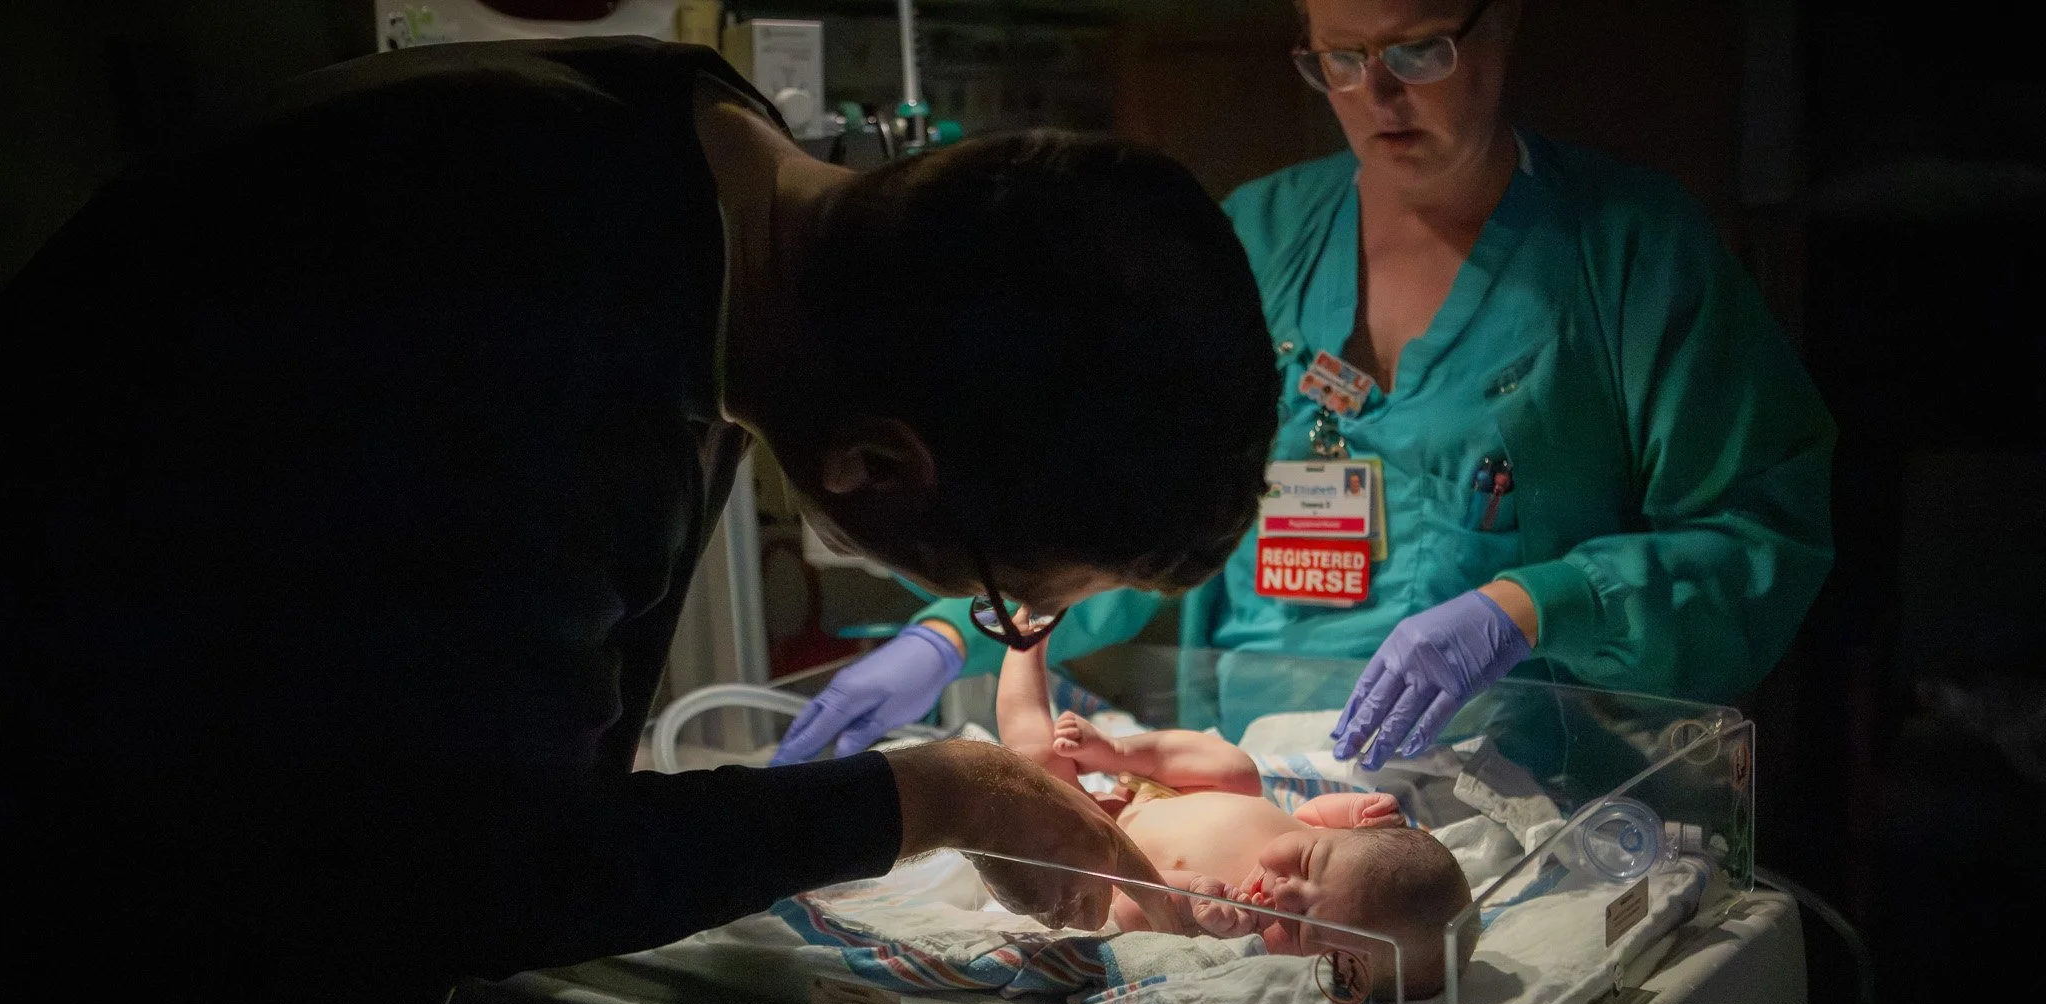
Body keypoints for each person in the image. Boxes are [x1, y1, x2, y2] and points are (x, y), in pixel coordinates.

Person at [0, 36, 1276, 1004]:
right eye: (1016, 601)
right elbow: (497, 866)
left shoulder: (704, 157)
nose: (1016, 627)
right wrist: (930, 792)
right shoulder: (531, 322)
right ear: (873, 467)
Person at [775, 0, 1834, 768]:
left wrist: (1529, 604)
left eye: (1415, 49)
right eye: (1338, 58)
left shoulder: (1631, 256)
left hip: (1534, 803)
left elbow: (1756, 540)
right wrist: (955, 629)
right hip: (1258, 779)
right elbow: (1118, 515)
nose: (1374, 95)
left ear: (1498, 25)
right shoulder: (1254, 239)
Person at [998, 628, 1472, 996]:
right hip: (1168, 787)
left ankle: (1024, 647)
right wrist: (1355, 809)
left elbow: (1127, 906)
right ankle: (1119, 751)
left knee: (1038, 767)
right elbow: (1312, 814)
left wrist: (1190, 898)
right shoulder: (1328, 839)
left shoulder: (1232, 926)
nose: (1284, 892)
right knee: (1238, 771)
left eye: (1302, 924)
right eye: (1307, 863)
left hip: (1100, 839)